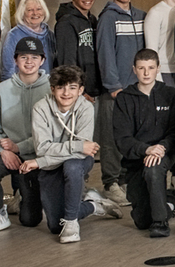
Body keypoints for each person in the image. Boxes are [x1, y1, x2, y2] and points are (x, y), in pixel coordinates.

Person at [24, 65, 121, 244]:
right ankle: (93, 206)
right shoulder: (40, 108)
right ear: (52, 89)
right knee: (54, 226)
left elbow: (83, 152)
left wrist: (40, 162)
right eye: (60, 87)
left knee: (73, 165)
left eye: (72, 87)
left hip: (77, 162)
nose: (66, 93)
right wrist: (75, 147)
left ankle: (71, 222)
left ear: (81, 90)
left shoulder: (86, 108)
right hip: (50, 164)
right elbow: (43, 149)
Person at [0, 37, 49, 236]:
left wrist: (19, 147)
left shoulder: (52, 88)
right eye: (23, 57)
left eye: (35, 57)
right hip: (8, 150)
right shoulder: (0, 90)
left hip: (38, 153)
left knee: (30, 220)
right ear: (15, 60)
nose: (29, 61)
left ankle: (27, 197)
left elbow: (53, 131)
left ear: (42, 60)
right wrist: (3, 151)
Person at [112, 49, 175, 238]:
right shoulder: (124, 98)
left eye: (150, 68)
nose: (146, 73)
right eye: (141, 68)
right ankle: (171, 201)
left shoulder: (171, 94)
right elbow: (122, 138)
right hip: (136, 158)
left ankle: (161, 223)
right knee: (142, 221)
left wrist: (160, 148)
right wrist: (146, 149)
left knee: (154, 168)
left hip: (164, 152)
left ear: (158, 68)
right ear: (134, 69)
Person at [96, 0, 146, 204]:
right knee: (112, 139)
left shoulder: (140, 15)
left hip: (136, 89)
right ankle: (111, 183)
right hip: (116, 90)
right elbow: (104, 53)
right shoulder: (108, 17)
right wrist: (113, 85)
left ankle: (127, 181)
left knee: (131, 137)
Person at [53, 0, 103, 100]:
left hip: (96, 90)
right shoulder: (65, 22)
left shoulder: (93, 20)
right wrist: (79, 91)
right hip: (80, 94)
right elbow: (67, 63)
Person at [0, 0, 54, 80]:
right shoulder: (13, 35)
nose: (35, 13)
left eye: (39, 9)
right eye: (30, 10)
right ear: (22, 13)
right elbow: (8, 69)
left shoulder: (50, 35)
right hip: (21, 87)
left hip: (47, 85)